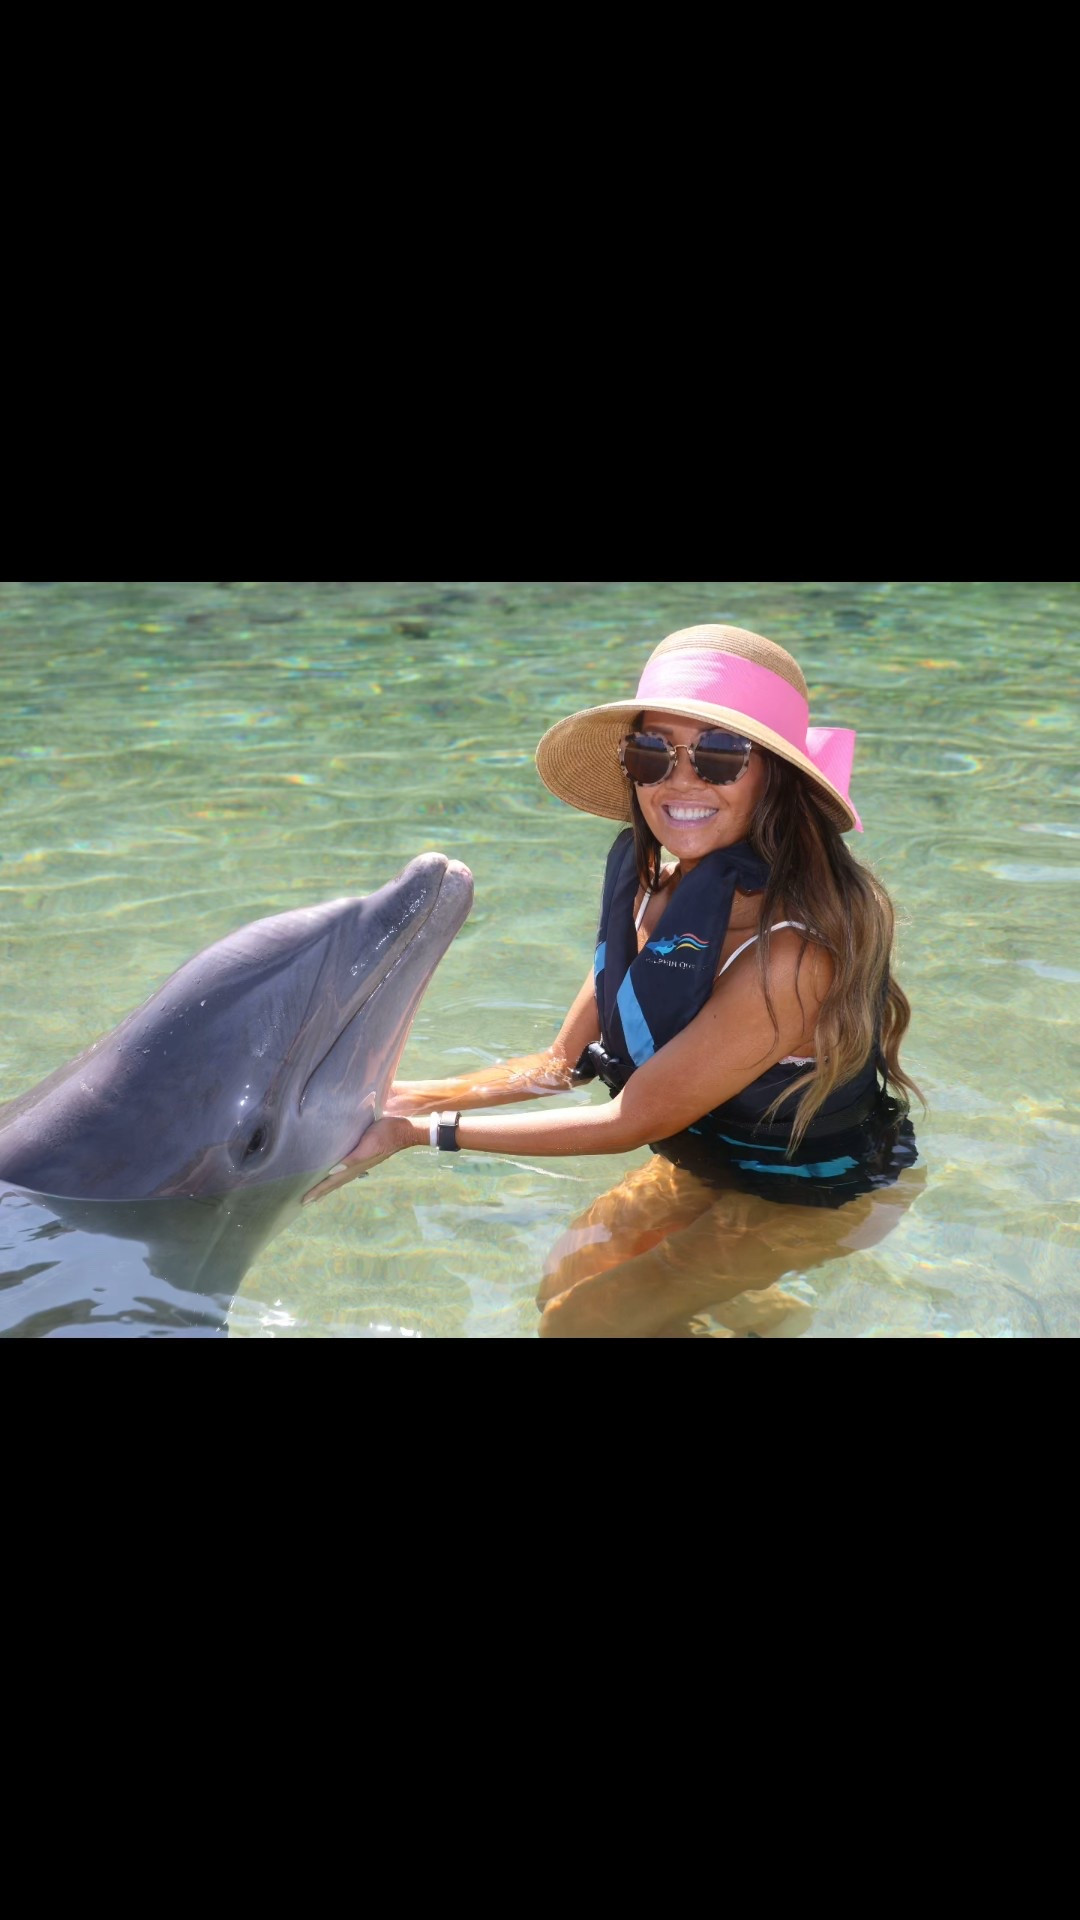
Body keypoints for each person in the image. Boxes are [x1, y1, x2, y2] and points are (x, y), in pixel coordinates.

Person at [303, 624, 924, 1337]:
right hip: (708, 1163)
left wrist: (419, 1134)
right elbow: (556, 1067)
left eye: (720, 755)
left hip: (812, 1196)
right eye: (652, 751)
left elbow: (632, 1121)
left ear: (774, 777)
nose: (681, 779)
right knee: (563, 1284)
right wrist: (386, 1097)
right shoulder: (654, 898)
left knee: (582, 1324)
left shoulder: (792, 959)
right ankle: (761, 1318)